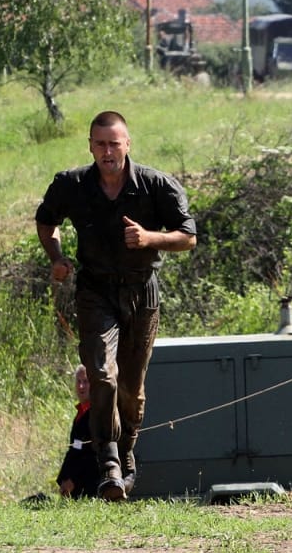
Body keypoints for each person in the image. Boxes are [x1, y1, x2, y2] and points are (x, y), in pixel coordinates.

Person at [35, 110, 196, 501]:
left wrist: (149, 239)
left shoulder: (156, 185)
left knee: (130, 388)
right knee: (102, 375)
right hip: (95, 291)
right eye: (100, 144)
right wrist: (56, 257)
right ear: (90, 146)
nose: (107, 152)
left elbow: (188, 236)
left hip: (142, 293)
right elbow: (46, 221)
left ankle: (125, 455)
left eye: (114, 143)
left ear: (127, 144)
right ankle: (108, 462)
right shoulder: (71, 184)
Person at [55, 364, 103, 498]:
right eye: (79, 381)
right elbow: (75, 449)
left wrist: (73, 480)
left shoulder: (96, 414)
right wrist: (63, 478)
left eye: (86, 382)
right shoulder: (81, 413)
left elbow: (91, 454)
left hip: (91, 486)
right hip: (75, 485)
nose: (81, 386)